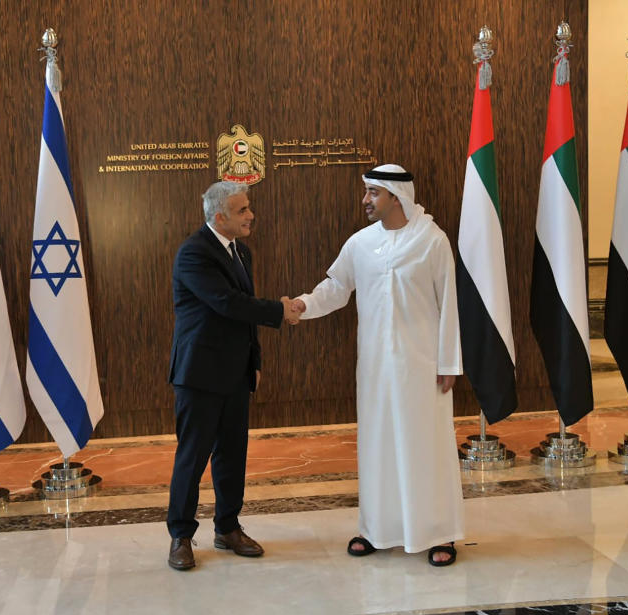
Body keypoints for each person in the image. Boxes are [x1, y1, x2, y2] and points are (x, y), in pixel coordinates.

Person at [291, 164, 464, 566]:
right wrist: (304, 304)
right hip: (374, 368)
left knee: (426, 447)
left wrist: (450, 361)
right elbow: (336, 288)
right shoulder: (360, 243)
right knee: (377, 446)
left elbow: (450, 303)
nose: (365, 200)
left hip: (421, 366)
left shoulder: (432, 241)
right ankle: (377, 530)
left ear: (395, 196)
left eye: (372, 193)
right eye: (366, 192)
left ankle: (439, 533)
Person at [166, 180, 301, 571]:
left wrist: (254, 361)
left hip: (236, 373)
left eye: (249, 208)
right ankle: (180, 535)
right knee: (192, 458)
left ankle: (227, 528)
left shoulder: (241, 251)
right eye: (243, 210)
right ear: (219, 216)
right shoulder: (194, 252)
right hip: (199, 374)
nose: (251, 215)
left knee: (232, 456)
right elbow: (227, 304)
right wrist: (279, 311)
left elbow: (242, 319)